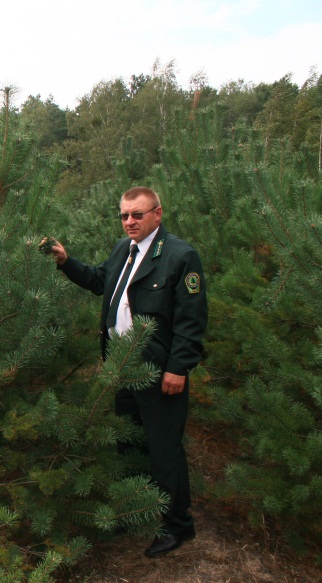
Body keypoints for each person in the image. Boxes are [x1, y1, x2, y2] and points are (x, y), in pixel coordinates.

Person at [43, 186, 207, 558]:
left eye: (137, 214)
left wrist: (178, 368)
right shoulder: (123, 249)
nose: (130, 221)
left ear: (158, 214)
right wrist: (66, 261)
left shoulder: (180, 256)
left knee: (163, 448)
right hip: (120, 365)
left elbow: (191, 321)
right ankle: (135, 511)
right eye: (124, 215)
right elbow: (101, 281)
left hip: (158, 370)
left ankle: (176, 525)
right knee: (128, 441)